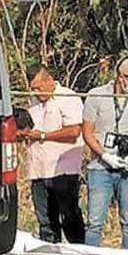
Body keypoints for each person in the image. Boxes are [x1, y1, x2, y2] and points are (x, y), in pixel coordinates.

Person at [81, 57, 128, 249]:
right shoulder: (96, 95)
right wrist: (104, 155)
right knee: (95, 221)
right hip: (100, 167)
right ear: (122, 77)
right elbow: (87, 131)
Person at [20, 63, 86, 244]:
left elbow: (73, 132)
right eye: (33, 89)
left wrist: (42, 135)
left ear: (50, 80)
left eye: (40, 88)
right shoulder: (33, 102)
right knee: (46, 223)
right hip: (38, 171)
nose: (37, 93)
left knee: (69, 218)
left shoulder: (68, 98)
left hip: (62, 171)